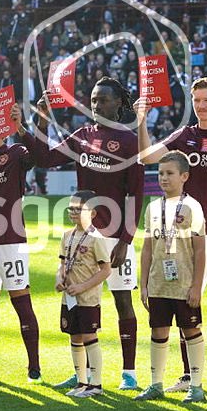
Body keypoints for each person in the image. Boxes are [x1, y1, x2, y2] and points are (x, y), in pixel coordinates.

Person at [19, 77, 145, 391]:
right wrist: (40, 120)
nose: (96, 105)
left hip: (115, 237)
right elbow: (44, 159)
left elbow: (136, 195)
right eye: (92, 99)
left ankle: (129, 373)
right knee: (78, 302)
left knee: (121, 300)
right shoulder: (83, 136)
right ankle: (82, 373)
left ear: (119, 103)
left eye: (103, 99)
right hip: (84, 237)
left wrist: (125, 241)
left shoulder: (129, 141)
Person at [136, 77, 207, 395]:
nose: (201, 106)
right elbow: (147, 156)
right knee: (184, 305)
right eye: (197, 100)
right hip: (186, 239)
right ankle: (188, 375)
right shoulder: (186, 135)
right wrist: (142, 120)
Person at [0, 103, 41, 381]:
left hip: (10, 240)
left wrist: (21, 128)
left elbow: (38, 155)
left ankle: (34, 366)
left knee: (20, 303)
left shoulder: (14, 153)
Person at [134, 151, 207, 403]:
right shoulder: (153, 207)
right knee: (158, 330)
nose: (163, 178)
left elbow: (200, 249)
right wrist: (143, 285)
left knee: (191, 330)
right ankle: (156, 384)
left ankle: (196, 386)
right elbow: (146, 250)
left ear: (184, 176)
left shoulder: (193, 206)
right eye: (160, 173)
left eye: (169, 173)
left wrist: (196, 286)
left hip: (185, 284)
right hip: (158, 284)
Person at [57, 189, 113, 398]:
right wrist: (58, 279)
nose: (73, 212)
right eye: (71, 208)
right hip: (69, 298)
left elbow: (106, 270)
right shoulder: (67, 236)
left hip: (87, 298)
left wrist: (82, 287)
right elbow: (62, 263)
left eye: (79, 209)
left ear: (93, 213)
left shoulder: (96, 238)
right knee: (74, 336)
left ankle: (96, 384)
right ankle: (81, 381)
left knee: (89, 336)